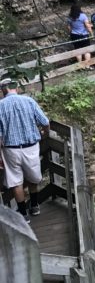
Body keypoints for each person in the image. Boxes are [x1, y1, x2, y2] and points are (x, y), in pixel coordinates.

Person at [0, 79, 50, 223]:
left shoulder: (0, 106)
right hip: (31, 147)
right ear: (15, 87)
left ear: (3, 90)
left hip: (10, 150)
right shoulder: (28, 101)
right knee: (33, 177)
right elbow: (45, 122)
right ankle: (34, 205)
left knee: (16, 182)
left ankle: (23, 214)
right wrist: (44, 134)